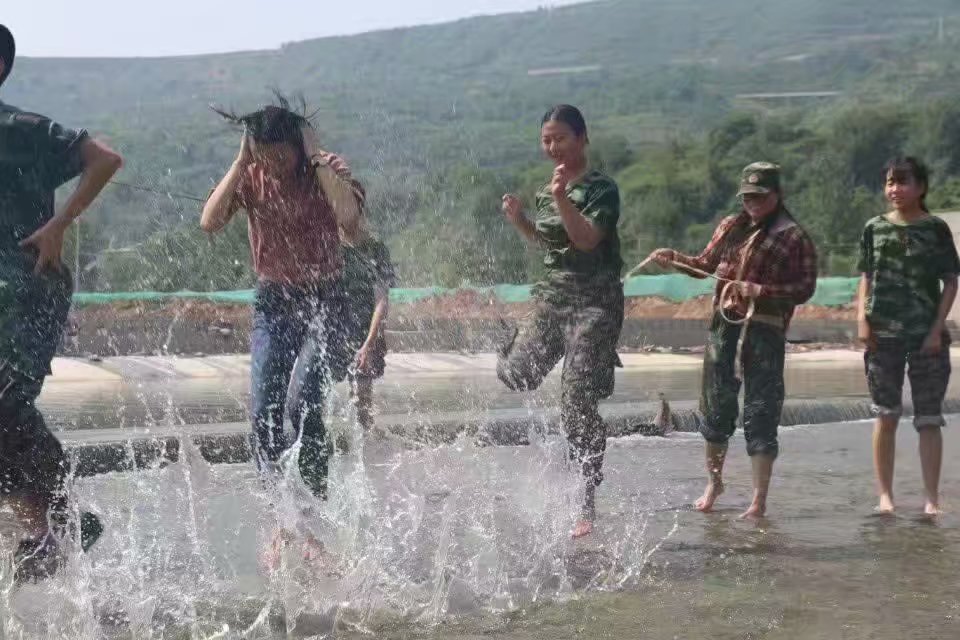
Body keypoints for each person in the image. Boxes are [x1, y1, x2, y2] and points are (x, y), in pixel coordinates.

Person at [0, 24, 122, 579]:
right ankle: (45, 527)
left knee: (4, 406)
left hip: (32, 290)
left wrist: (59, 223)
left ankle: (66, 519)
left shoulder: (25, 128)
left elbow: (104, 159)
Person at [200, 96, 363, 500]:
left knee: (304, 402)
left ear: (298, 146)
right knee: (263, 412)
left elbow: (349, 219)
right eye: (263, 156)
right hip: (274, 303)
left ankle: (314, 505)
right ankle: (283, 513)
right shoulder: (250, 174)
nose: (272, 166)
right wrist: (240, 163)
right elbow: (209, 221)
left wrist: (316, 159)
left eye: (281, 156)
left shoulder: (326, 170)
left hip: (329, 301)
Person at [651, 162, 817, 519]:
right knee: (715, 409)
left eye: (760, 196)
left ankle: (758, 499)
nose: (753, 203)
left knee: (761, 412)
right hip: (724, 330)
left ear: (777, 194)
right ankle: (715, 483)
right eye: (748, 197)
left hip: (765, 333)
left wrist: (762, 290)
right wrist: (674, 259)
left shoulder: (793, 236)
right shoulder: (730, 225)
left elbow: (805, 288)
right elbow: (705, 265)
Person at [498, 105, 624, 539]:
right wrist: (521, 222)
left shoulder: (602, 189)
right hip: (553, 300)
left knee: (576, 400)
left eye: (561, 139)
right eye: (547, 140)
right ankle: (509, 343)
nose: (553, 148)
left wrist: (559, 199)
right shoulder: (544, 190)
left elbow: (586, 239)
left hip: (595, 304)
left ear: (582, 139)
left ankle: (585, 498)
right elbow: (548, 244)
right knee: (517, 375)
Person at [857, 157, 959, 516]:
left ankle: (931, 499)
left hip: (925, 338)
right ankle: (885, 496)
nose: (894, 189)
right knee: (885, 414)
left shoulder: (935, 229)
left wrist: (935, 329)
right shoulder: (874, 227)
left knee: (929, 418)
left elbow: (951, 281)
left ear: (921, 187)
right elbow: (866, 276)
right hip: (882, 335)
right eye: (889, 182)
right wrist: (862, 321)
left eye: (902, 182)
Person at [337, 203, 395, 435]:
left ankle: (368, 446)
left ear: (360, 214)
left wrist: (369, 342)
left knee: (361, 394)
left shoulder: (375, 249)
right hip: (338, 327)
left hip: (366, 328)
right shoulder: (331, 248)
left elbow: (382, 299)